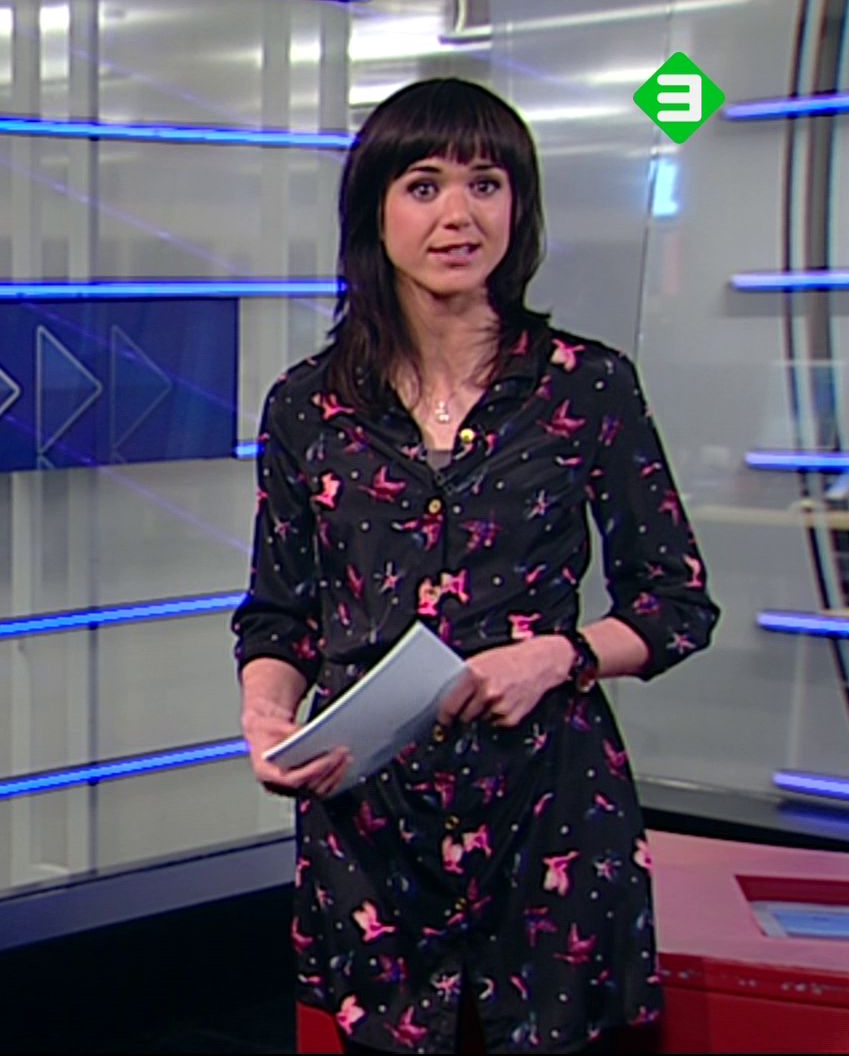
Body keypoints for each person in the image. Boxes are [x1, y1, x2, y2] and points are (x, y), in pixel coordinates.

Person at [229, 78, 719, 1054]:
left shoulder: (588, 387)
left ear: (518, 207)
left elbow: (676, 602)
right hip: (376, 829)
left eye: (486, 184)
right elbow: (279, 615)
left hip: (549, 823)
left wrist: (556, 657)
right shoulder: (306, 408)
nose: (459, 215)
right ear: (375, 212)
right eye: (424, 186)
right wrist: (265, 716)